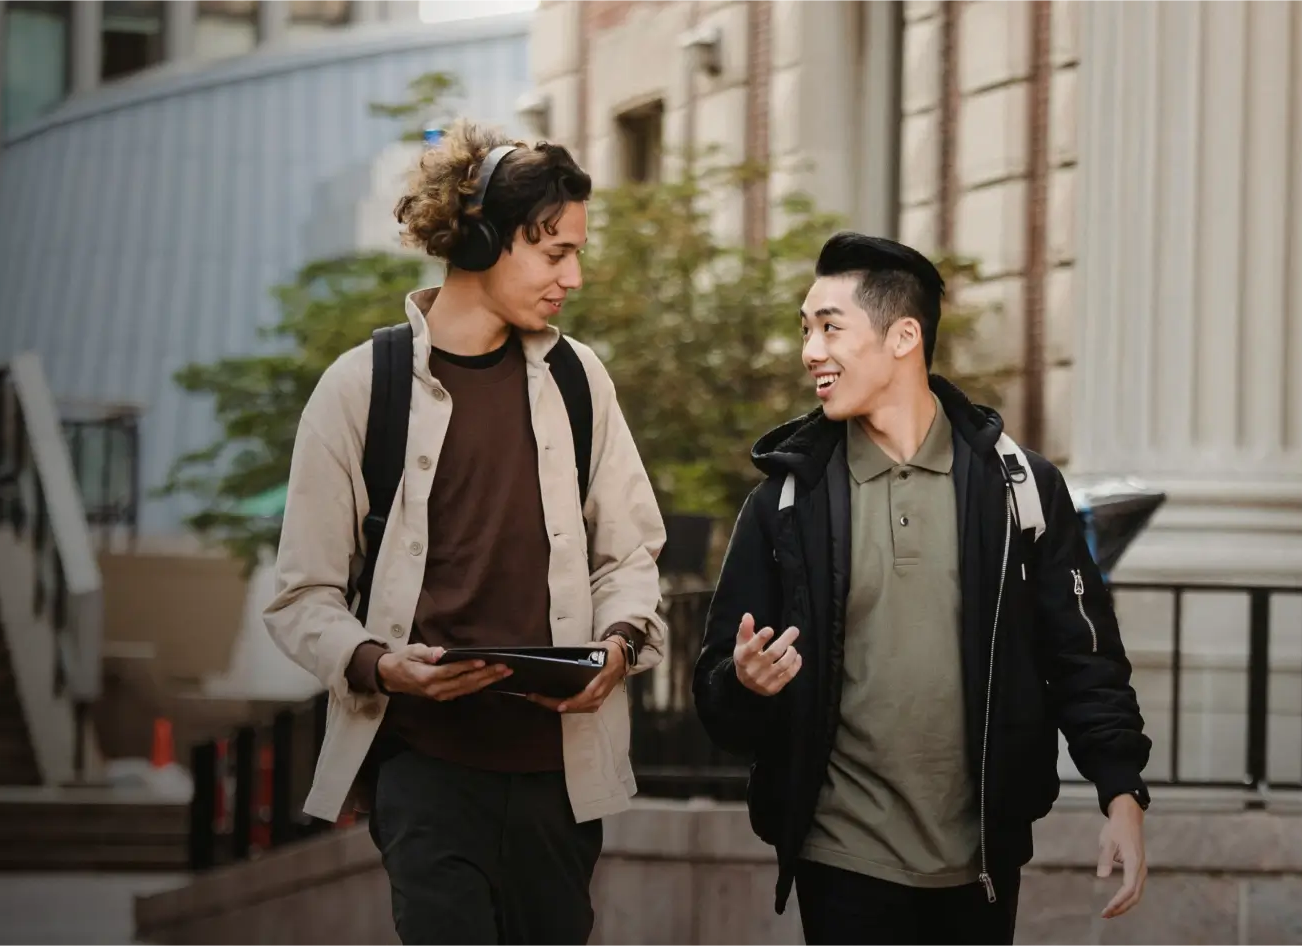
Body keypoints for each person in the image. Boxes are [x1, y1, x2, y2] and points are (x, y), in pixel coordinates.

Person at [264, 119, 668, 946]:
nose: (575, 277)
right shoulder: (358, 389)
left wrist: (620, 646)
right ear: (481, 240)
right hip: (426, 770)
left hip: (560, 772)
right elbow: (303, 594)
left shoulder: (578, 380)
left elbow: (628, 553)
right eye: (554, 252)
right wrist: (382, 664)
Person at [691, 231, 1152, 945]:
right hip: (839, 851)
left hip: (979, 858)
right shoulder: (787, 502)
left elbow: (1083, 655)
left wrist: (1121, 793)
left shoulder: (1019, 490)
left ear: (903, 335)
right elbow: (717, 691)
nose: (810, 350)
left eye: (829, 327)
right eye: (805, 329)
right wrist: (745, 683)